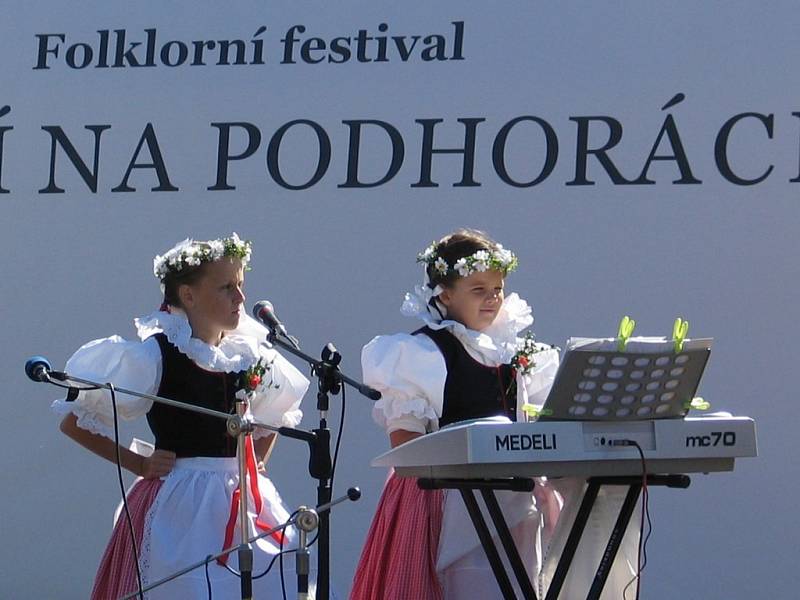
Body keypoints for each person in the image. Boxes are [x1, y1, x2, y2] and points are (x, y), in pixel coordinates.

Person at [350, 229, 639, 600]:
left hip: (513, 501)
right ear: (445, 294)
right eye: (478, 289)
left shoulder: (515, 352)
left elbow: (540, 425)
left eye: (497, 289)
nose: (492, 299)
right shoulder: (419, 354)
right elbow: (405, 445)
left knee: (516, 585)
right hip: (447, 505)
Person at [53, 234, 311, 599]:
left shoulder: (247, 353)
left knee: (266, 580)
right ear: (188, 296)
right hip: (180, 503)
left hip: (243, 501)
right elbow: (74, 422)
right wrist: (138, 463)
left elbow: (277, 412)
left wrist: (253, 463)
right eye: (226, 288)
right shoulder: (155, 355)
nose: (240, 298)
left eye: (240, 286)